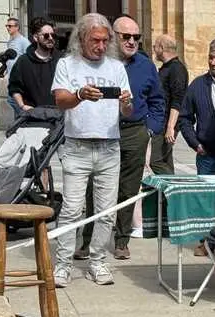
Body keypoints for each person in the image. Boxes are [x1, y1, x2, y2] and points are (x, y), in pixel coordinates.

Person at [52, 12, 133, 287]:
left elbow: (128, 109)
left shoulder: (116, 67)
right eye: (94, 41)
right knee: (72, 209)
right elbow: (60, 100)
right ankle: (63, 264)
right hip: (77, 146)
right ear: (81, 39)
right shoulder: (67, 64)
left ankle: (97, 262)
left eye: (104, 41)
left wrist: (125, 103)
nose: (100, 46)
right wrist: (79, 95)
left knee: (105, 211)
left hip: (110, 146)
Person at [110, 15, 165, 260]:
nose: (132, 41)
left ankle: (121, 240)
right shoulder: (102, 63)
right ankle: (87, 240)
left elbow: (157, 101)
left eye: (136, 37)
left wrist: (149, 130)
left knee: (129, 189)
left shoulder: (146, 66)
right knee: (97, 187)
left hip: (135, 132)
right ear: (114, 36)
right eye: (126, 36)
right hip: (104, 133)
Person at [179, 37, 215, 175]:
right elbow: (184, 118)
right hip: (207, 159)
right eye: (210, 58)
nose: (212, 62)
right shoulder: (197, 85)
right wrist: (195, 144)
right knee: (206, 197)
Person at [150, 34, 189, 175]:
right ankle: (169, 196)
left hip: (167, 122)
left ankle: (173, 188)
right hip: (162, 121)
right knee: (166, 160)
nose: (154, 49)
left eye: (155, 46)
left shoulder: (177, 69)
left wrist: (170, 127)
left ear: (162, 48)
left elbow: (178, 100)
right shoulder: (166, 67)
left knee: (156, 161)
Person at [8, 17, 61, 110]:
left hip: (59, 117)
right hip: (33, 117)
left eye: (53, 35)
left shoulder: (61, 60)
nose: (51, 38)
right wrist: (22, 106)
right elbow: (14, 87)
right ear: (36, 37)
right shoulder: (23, 61)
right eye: (46, 35)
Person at [5, 17, 31, 117]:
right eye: (6, 26)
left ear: (17, 27)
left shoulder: (23, 41)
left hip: (20, 79)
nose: (7, 28)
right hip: (12, 78)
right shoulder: (10, 42)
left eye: (10, 26)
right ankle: (18, 124)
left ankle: (22, 121)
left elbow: (29, 57)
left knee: (13, 100)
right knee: (13, 101)